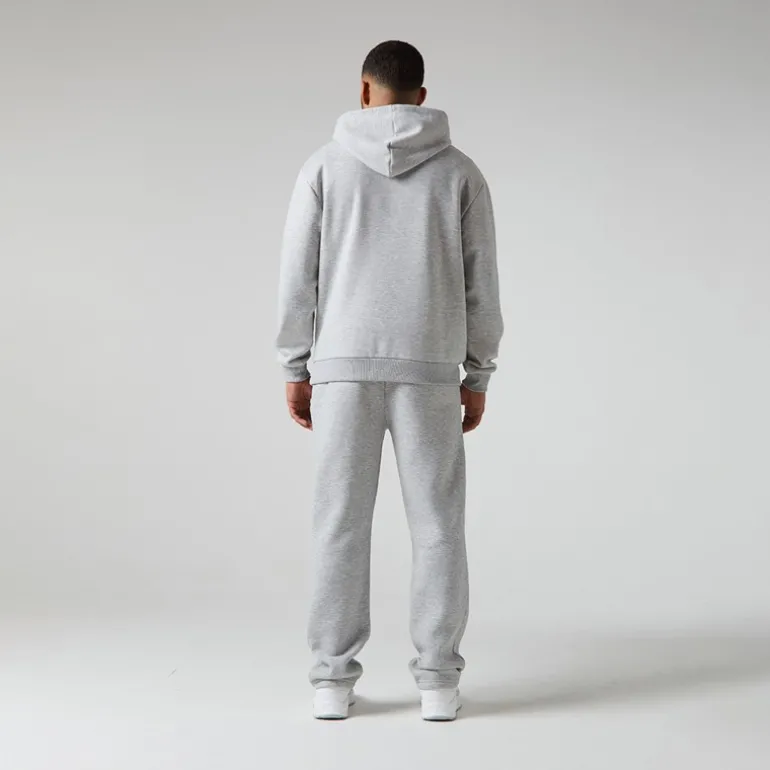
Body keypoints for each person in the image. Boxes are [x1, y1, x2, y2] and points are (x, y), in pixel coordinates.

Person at [275, 40, 503, 721]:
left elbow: (297, 276)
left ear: (364, 89)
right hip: (430, 370)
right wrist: (478, 373)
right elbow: (482, 286)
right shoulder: (460, 173)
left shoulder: (323, 167)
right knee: (438, 525)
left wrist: (295, 365)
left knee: (339, 524)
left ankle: (331, 682)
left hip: (341, 369)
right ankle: (439, 684)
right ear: (422, 97)